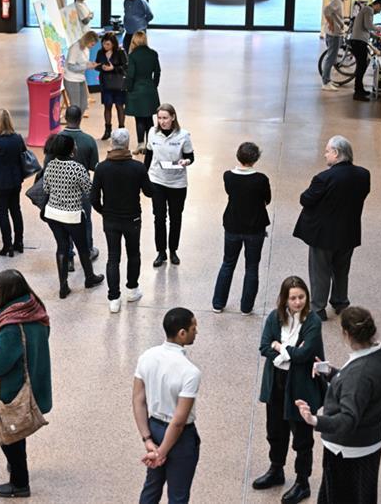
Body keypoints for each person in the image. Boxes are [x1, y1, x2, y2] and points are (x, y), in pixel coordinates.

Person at [296, 307, 381, 504]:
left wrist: (314, 420)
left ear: (346, 334)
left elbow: (348, 418)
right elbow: (359, 387)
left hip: (346, 449)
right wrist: (331, 372)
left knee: (337, 497)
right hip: (370, 442)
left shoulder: (358, 375)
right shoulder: (380, 356)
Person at [0, 269, 51, 498]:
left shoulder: (11, 326)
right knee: (17, 431)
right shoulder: (34, 307)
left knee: (9, 434)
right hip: (33, 377)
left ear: (6, 292)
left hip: (10, 389)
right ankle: (16, 467)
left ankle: (19, 482)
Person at [253, 276, 325, 504]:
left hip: (300, 386)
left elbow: (305, 355)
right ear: (284, 299)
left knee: (302, 437)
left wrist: (280, 347)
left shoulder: (313, 321)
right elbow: (264, 346)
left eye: (301, 297)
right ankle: (276, 470)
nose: (297, 302)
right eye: (293, 298)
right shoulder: (275, 317)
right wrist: (290, 351)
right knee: (275, 430)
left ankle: (302, 482)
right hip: (276, 383)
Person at [293, 136, 370, 321]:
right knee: (342, 269)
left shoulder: (324, 178)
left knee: (320, 271)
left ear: (336, 153)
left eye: (327, 151)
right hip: (348, 232)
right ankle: (340, 301)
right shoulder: (364, 174)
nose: (325, 154)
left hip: (324, 235)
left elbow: (306, 199)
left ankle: (318, 308)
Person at [133, 307, 201, 504]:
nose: (196, 331)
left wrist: (147, 440)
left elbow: (138, 400)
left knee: (151, 488)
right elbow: (179, 421)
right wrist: (162, 452)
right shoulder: (190, 372)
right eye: (193, 327)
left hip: (153, 429)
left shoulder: (147, 356)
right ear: (182, 333)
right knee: (178, 495)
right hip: (180, 439)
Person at [91, 128, 152, 313]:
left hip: (110, 219)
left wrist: (104, 212)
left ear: (112, 144)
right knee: (134, 254)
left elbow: (94, 199)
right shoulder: (138, 168)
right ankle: (132, 290)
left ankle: (114, 299)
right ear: (127, 145)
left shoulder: (101, 168)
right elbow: (149, 192)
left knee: (113, 258)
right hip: (132, 218)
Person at [211, 142, 271, 315]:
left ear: (238, 156)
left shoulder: (228, 176)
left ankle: (218, 303)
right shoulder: (261, 179)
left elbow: (230, 193)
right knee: (252, 267)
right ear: (256, 159)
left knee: (228, 263)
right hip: (255, 228)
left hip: (232, 225)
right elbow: (267, 199)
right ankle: (246, 307)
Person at [42, 134, 104, 298]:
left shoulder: (50, 166)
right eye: (74, 145)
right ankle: (89, 278)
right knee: (82, 248)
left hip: (53, 214)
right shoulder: (77, 168)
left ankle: (63, 286)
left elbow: (46, 189)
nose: (76, 147)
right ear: (70, 149)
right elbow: (89, 190)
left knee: (62, 247)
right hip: (73, 215)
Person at [146, 103, 193, 267]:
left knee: (176, 218)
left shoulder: (183, 135)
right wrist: (145, 180)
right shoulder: (152, 133)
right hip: (157, 180)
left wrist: (186, 161)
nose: (162, 121)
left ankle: (173, 250)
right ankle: (161, 252)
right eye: (159, 118)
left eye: (165, 118)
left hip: (177, 183)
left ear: (173, 117)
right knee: (159, 218)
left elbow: (190, 157)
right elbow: (149, 156)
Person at [60, 105, 100, 268]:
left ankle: (68, 256)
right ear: (81, 118)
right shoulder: (89, 140)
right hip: (82, 189)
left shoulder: (58, 139)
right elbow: (93, 166)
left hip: (61, 189)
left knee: (64, 222)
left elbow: (48, 163)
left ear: (65, 117)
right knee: (85, 220)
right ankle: (88, 250)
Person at [0, 109, 26, 257]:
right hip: (16, 181)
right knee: (16, 210)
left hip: (1, 183)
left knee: (2, 214)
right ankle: (19, 242)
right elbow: (23, 154)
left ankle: (7, 245)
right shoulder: (18, 138)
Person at [124, 31, 160, 153]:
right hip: (149, 89)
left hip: (136, 90)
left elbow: (130, 75)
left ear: (134, 41)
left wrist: (128, 88)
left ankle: (140, 144)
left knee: (139, 119)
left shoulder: (133, 56)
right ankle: (150, 144)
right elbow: (158, 72)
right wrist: (154, 85)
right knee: (149, 118)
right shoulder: (153, 54)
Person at [95, 31, 128, 141]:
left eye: (108, 44)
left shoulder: (120, 52)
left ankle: (121, 130)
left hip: (118, 84)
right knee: (107, 106)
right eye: (104, 43)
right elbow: (97, 65)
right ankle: (107, 130)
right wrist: (102, 67)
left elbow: (126, 67)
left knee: (119, 106)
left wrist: (113, 68)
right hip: (106, 84)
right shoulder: (100, 52)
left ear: (113, 44)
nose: (105, 46)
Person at [349, 0, 381, 101]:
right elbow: (368, 26)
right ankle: (357, 92)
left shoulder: (366, 10)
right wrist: (378, 29)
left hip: (358, 41)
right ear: (377, 5)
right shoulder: (369, 10)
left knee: (362, 66)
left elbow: (366, 29)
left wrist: (377, 37)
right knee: (361, 66)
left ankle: (360, 89)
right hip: (358, 42)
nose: (380, 11)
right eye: (380, 9)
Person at [63, 31, 99, 115]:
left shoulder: (86, 48)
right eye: (92, 44)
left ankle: (76, 124)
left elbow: (83, 62)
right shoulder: (75, 48)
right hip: (71, 79)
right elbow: (71, 66)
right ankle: (73, 126)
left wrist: (90, 63)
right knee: (75, 106)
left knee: (83, 105)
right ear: (87, 41)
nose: (92, 47)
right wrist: (86, 67)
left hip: (80, 78)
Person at [321, 0, 349, 91]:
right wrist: (331, 24)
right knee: (331, 58)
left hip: (336, 33)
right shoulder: (337, 0)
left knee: (332, 58)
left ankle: (327, 80)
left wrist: (340, 24)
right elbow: (326, 11)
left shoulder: (339, 0)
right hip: (334, 35)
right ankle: (325, 83)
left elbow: (335, 15)